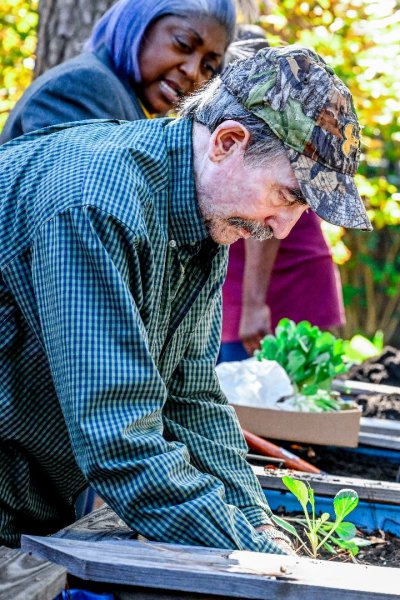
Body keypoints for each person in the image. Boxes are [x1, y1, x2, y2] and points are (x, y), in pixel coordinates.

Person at [0, 45, 372, 554]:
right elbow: (119, 439)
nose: (284, 226)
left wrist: (257, 522)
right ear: (228, 141)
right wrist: (258, 555)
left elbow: (193, 397)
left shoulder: (204, 221)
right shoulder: (96, 205)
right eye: (286, 196)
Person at [218, 26, 346, 362]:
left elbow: (269, 213)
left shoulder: (270, 116)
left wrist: (254, 304)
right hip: (242, 282)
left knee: (271, 408)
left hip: (277, 289)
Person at [0, 0, 235, 143]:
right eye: (183, 44)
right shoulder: (86, 87)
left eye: (209, 67)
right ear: (140, 24)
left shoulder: (133, 106)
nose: (194, 72)